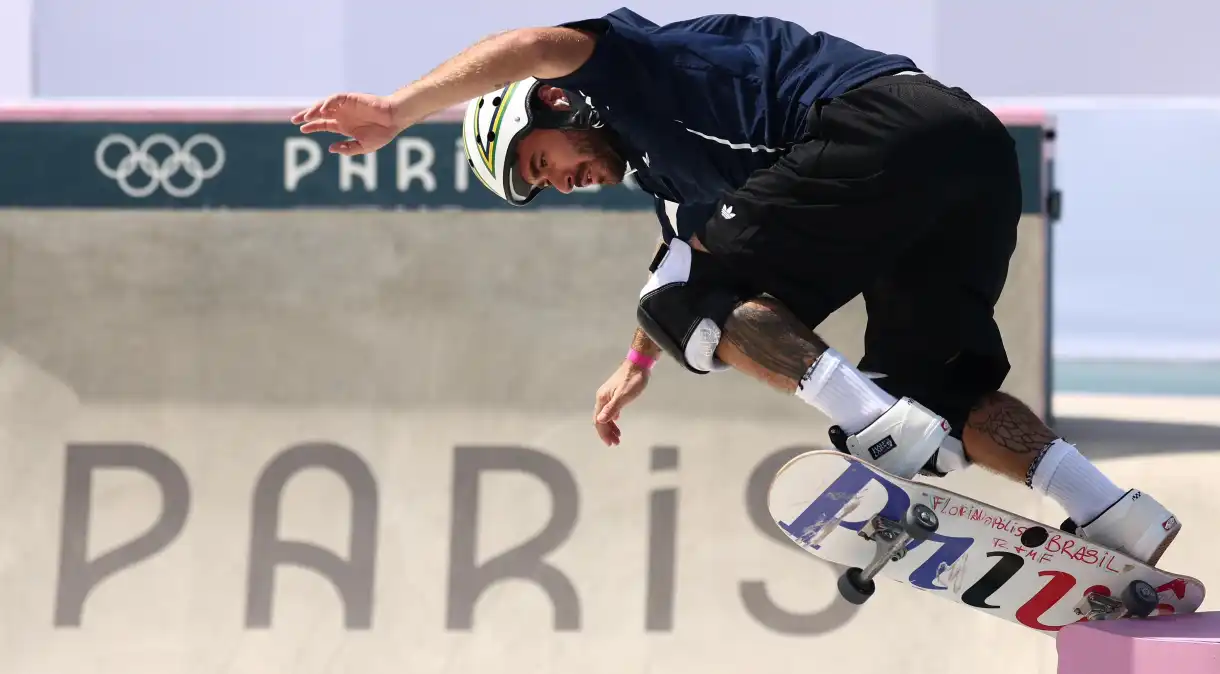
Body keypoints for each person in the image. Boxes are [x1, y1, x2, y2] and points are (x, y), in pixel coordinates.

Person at [290, 8, 1181, 565]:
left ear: (551, 108)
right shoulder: (669, 179)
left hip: (875, 124)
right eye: (537, 189)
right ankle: (1110, 512)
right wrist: (639, 359)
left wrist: (399, 111)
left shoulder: (615, 67)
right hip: (970, 150)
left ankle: (881, 428)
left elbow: (526, 43)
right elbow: (678, 270)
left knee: (695, 304)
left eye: (537, 163)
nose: (555, 182)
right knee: (943, 386)